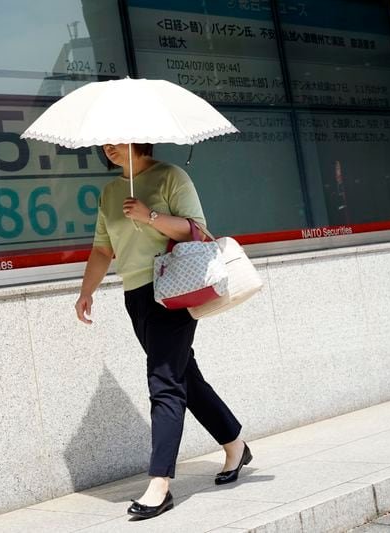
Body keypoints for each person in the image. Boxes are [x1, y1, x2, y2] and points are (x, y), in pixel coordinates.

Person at [74, 143, 251, 521]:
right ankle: (235, 443)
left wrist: (150, 215)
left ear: (137, 136)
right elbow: (103, 249)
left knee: (164, 381)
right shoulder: (109, 193)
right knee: (184, 375)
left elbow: (196, 230)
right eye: (104, 139)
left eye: (116, 136)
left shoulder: (170, 176)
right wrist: (86, 291)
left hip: (174, 288)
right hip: (136, 295)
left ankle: (160, 484)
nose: (108, 146)